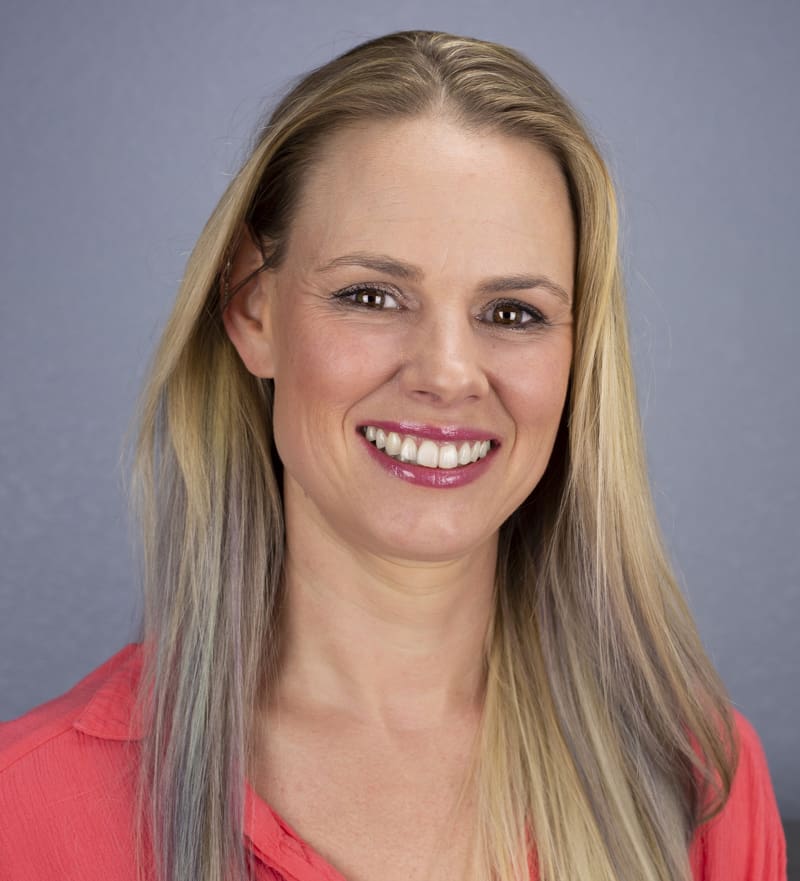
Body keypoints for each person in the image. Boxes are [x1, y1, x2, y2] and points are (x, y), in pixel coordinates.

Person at [0, 29, 787, 881]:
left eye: (514, 312)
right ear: (252, 309)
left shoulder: (695, 780)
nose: (448, 374)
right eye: (372, 295)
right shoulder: (24, 810)